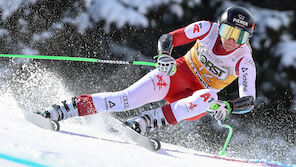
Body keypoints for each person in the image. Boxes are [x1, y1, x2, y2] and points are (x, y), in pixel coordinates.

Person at [37, 6, 256, 136]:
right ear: (220, 26)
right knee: (125, 99)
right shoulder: (207, 29)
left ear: (247, 39)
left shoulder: (244, 60)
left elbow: (249, 99)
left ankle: (144, 122)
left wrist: (229, 106)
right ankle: (64, 109)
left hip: (193, 99)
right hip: (174, 76)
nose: (230, 40)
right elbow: (169, 38)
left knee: (210, 97)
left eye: (240, 37)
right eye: (228, 31)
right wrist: (165, 56)